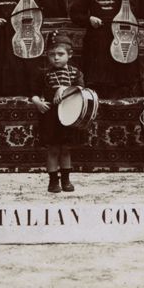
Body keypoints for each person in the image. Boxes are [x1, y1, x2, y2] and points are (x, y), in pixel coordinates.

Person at [69, 0, 139, 99]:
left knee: (119, 73)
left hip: (119, 36)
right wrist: (89, 19)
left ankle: (118, 100)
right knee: (99, 72)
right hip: (97, 37)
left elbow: (133, 14)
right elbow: (75, 13)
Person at [31, 31, 86, 194]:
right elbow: (34, 93)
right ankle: (53, 181)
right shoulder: (43, 73)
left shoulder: (76, 73)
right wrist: (37, 102)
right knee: (53, 149)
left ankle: (66, 180)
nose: (56, 58)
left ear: (70, 55)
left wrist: (62, 89)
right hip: (50, 116)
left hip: (68, 116)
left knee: (66, 149)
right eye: (52, 54)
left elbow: (81, 89)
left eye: (60, 54)